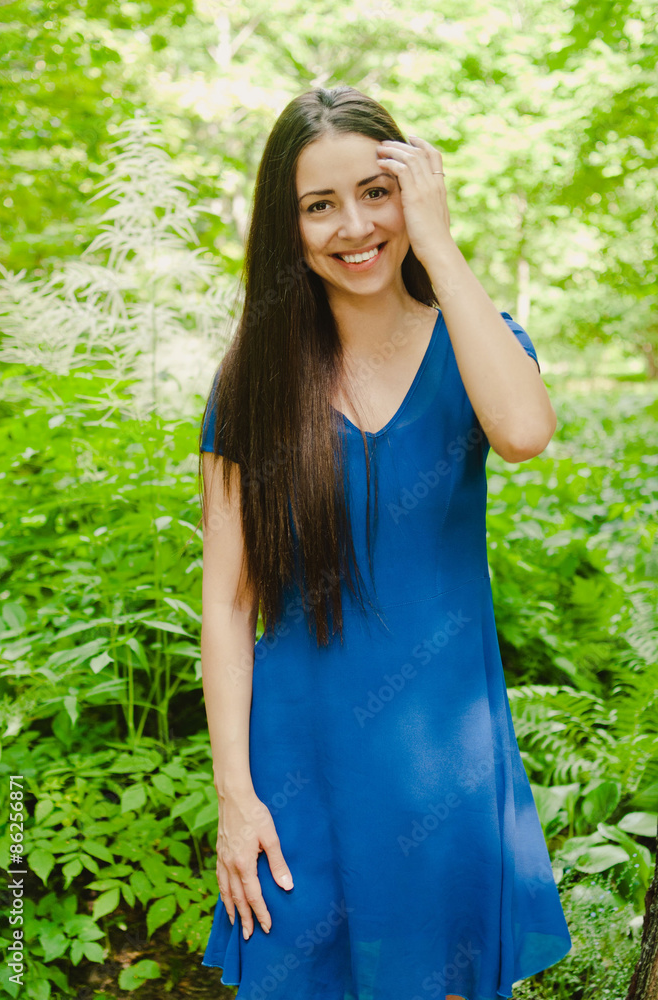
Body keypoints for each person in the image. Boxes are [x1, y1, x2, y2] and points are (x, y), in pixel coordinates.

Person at [197, 84, 572, 1000]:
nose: (353, 226)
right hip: (296, 773)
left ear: (415, 191)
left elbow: (524, 431)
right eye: (318, 206)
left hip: (446, 766)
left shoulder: (477, 341)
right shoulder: (252, 378)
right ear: (286, 229)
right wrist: (235, 798)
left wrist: (437, 243)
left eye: (376, 192)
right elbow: (227, 604)